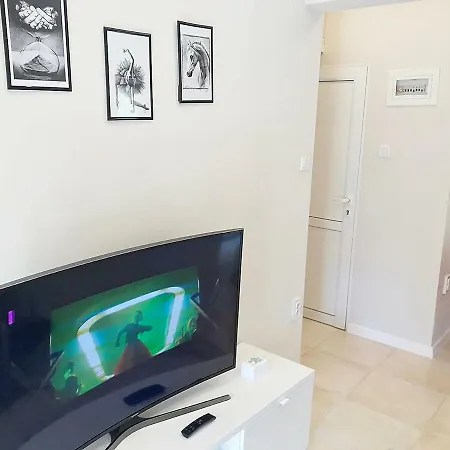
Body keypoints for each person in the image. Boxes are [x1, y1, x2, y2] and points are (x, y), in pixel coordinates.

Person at [114, 310, 152, 375]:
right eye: (136, 317)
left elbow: (148, 328)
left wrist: (144, 328)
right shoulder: (130, 326)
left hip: (136, 344)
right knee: (129, 360)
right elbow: (120, 333)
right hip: (131, 345)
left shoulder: (137, 327)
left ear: (140, 319)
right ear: (134, 317)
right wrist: (117, 342)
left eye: (138, 317)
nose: (137, 318)